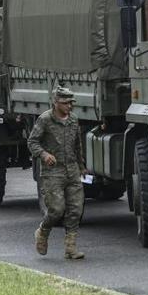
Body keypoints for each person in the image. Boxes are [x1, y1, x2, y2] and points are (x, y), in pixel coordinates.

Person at [29, 87, 86, 259]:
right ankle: (42, 232)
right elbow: (32, 142)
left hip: (72, 170)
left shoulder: (74, 120)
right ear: (55, 103)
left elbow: (78, 145)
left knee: (76, 209)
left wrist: (81, 166)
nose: (69, 106)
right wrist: (44, 154)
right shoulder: (45, 120)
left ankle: (70, 248)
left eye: (71, 103)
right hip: (53, 172)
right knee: (56, 210)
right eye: (65, 103)